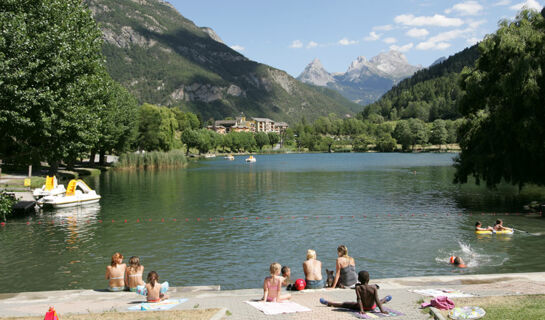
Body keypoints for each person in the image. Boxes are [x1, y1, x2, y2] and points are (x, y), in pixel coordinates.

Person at [320, 270, 391, 315]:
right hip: (372, 307)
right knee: (379, 302)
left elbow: (359, 299)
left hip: (362, 307)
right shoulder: (374, 287)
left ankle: (328, 303)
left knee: (345, 304)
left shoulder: (358, 287)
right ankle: (386, 299)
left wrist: (361, 310)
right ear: (369, 279)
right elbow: (377, 300)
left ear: (359, 279)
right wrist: (382, 311)